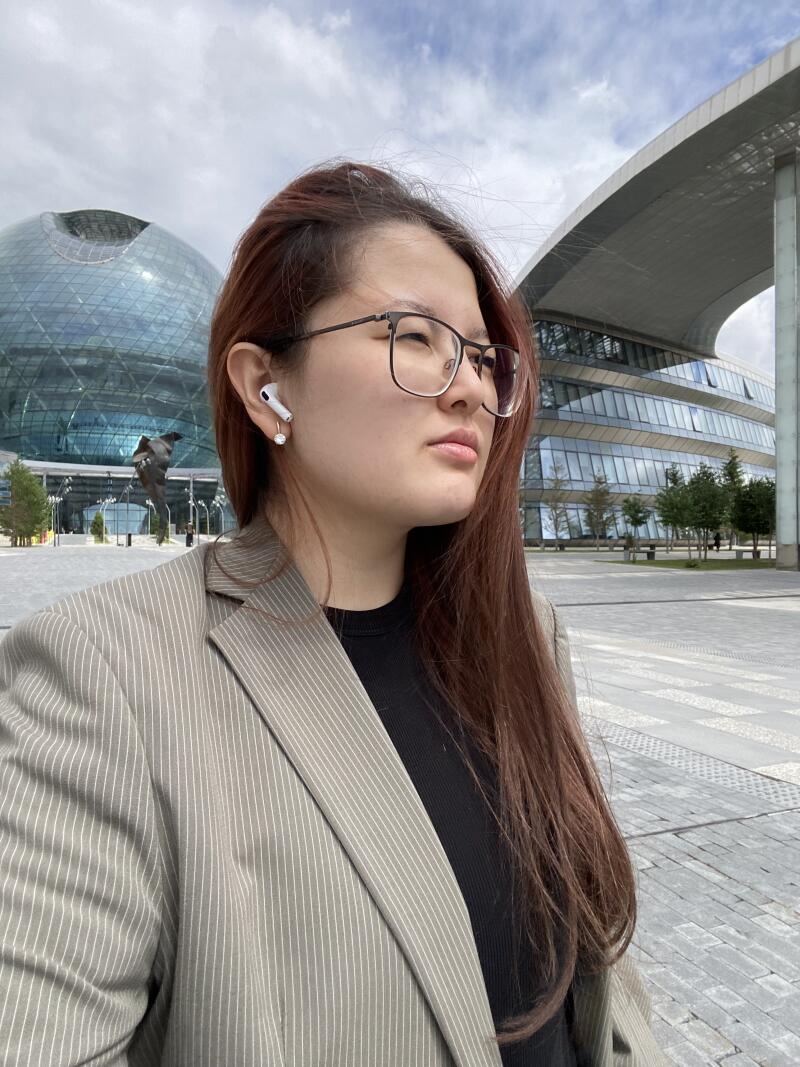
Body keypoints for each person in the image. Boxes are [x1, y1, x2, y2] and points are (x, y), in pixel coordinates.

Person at [0, 161, 666, 1065]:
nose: (471, 385)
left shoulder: (525, 638)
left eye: (480, 354)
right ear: (264, 385)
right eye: (416, 336)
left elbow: (603, 996)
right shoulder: (98, 678)